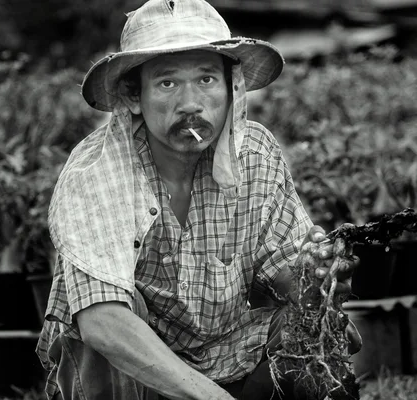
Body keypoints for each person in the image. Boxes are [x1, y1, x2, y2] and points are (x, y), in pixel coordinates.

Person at [36, 0, 362, 399]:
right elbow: (102, 322)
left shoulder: (254, 153)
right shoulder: (100, 171)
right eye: (167, 83)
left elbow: (285, 268)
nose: (190, 103)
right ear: (134, 95)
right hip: (136, 377)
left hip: (224, 354)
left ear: (231, 87)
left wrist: (319, 278)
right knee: (115, 316)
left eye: (206, 80)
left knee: (311, 325)